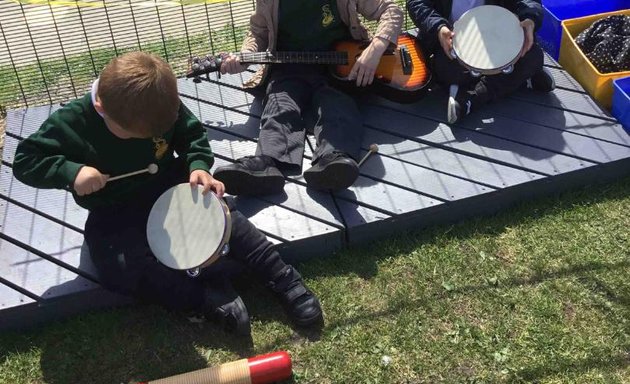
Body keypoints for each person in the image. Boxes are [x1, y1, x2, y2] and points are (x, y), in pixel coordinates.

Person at [13, 52, 322, 336]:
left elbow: (191, 136)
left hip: (168, 183)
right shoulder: (72, 121)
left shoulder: (159, 101)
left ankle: (283, 278)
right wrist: (72, 173)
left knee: (230, 221)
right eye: (137, 136)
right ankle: (202, 297)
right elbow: (26, 161)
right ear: (100, 109)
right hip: (112, 207)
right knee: (115, 268)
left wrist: (198, 166)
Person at [212, 0, 404, 196]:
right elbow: (258, 32)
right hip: (288, 66)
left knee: (336, 104)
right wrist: (246, 56)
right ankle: (267, 163)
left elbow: (392, 10)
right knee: (280, 106)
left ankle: (332, 160)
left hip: (338, 68)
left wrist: (376, 47)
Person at [406, 0, 556, 124]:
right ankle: (520, 78)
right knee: (445, 69)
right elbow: (416, 3)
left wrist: (530, 18)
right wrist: (438, 27)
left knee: (534, 56)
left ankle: (472, 98)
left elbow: (529, 2)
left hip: (497, 40)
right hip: (452, 44)